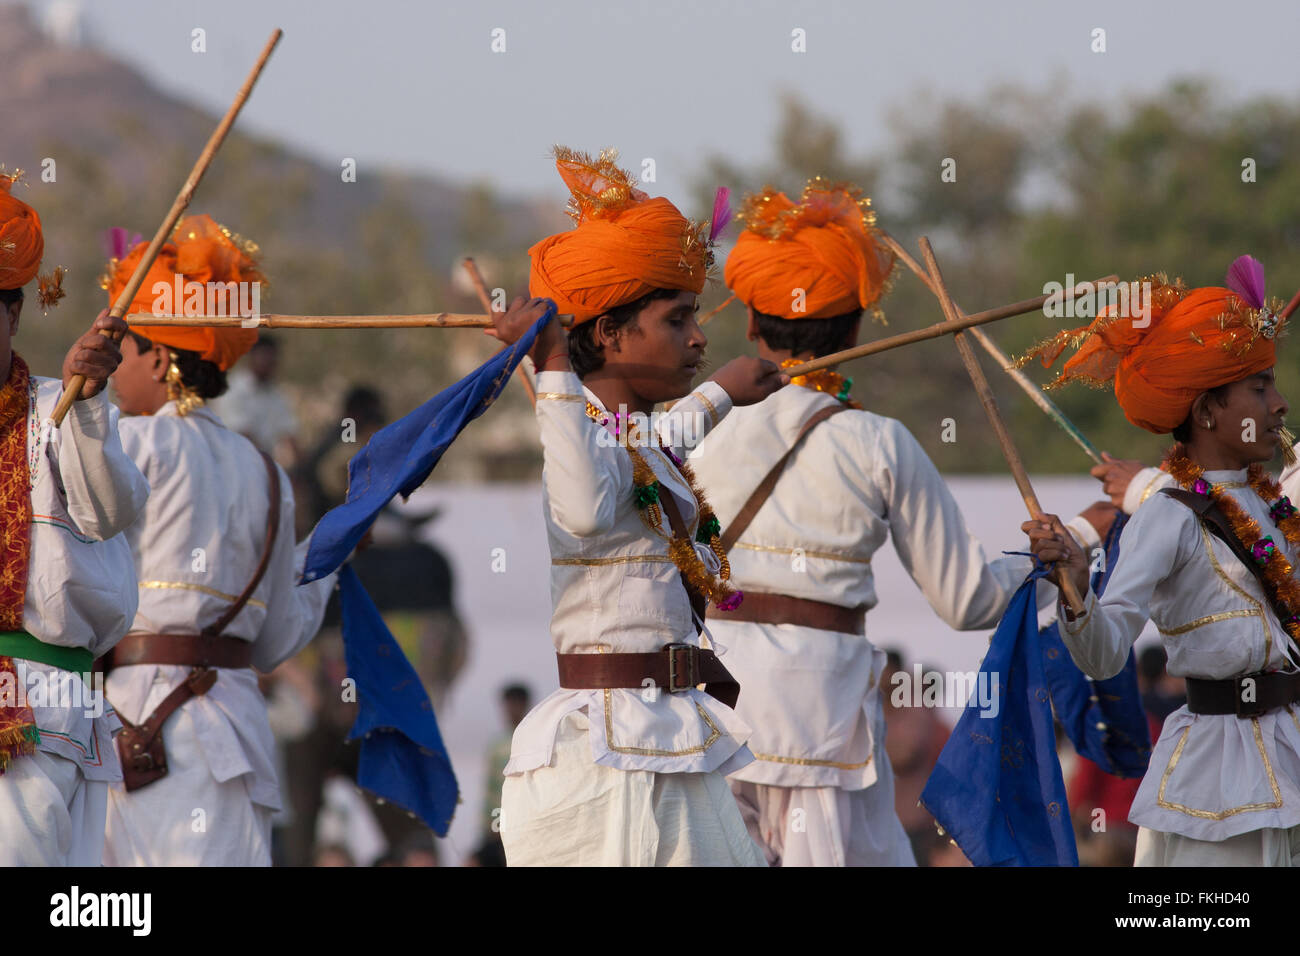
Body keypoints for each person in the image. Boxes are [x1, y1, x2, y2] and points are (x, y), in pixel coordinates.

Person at [688, 180, 1089, 866]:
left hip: (709, 710)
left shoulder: (694, 428)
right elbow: (969, 602)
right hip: (822, 722)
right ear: (857, 324)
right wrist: (1066, 547)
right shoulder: (879, 442)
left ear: (752, 324)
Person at [488, 147, 784, 866]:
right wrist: (553, 367)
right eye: (678, 318)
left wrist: (721, 392)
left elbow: (645, 449)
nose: (698, 337)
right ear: (610, 335)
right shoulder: (582, 426)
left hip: (667, 737)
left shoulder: (630, 435)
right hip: (603, 756)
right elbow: (588, 509)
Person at [1025, 260, 1300, 866]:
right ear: (1205, 412)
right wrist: (1075, 587)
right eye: (1259, 388)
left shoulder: (1277, 500)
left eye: (1273, 384)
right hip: (1216, 776)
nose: (1279, 405)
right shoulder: (1167, 515)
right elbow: (1102, 653)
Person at [100, 215, 337, 866]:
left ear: (155, 354)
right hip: (234, 733)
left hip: (137, 730)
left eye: (120, 351)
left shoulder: (131, 444)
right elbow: (278, 640)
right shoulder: (266, 471)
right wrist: (329, 559)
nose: (113, 370)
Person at [0, 170, 149, 866]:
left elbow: (109, 510)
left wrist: (88, 408)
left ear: (15, 317)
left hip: (56, 713)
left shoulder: (62, 408)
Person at [210, 335, 299, 464]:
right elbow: (244, 437)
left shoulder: (276, 395)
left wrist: (302, 468)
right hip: (232, 464)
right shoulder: (232, 390)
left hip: (261, 464)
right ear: (251, 357)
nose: (268, 363)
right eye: (264, 357)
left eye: (272, 359)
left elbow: (289, 434)